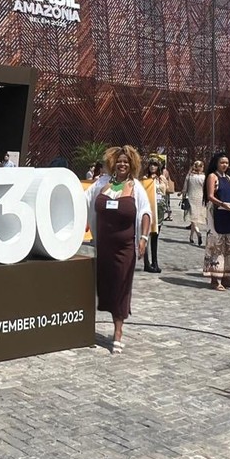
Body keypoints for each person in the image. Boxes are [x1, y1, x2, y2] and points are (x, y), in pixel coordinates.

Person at [85, 145, 151, 354]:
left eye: (126, 161)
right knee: (102, 287)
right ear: (113, 163)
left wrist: (143, 238)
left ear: (132, 164)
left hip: (125, 247)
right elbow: (84, 201)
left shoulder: (136, 186)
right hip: (103, 246)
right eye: (119, 161)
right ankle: (87, 328)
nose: (122, 164)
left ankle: (118, 332)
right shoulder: (102, 183)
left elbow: (146, 213)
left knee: (121, 286)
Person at [203, 151, 230, 291]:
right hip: (217, 212)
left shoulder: (228, 178)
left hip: (229, 213)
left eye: (226, 163)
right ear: (216, 163)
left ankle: (228, 278)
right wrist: (222, 204)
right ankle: (215, 279)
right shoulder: (213, 176)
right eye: (222, 162)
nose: (225, 165)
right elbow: (210, 196)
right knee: (217, 245)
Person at [142, 157, 166, 272]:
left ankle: (155, 262)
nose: (153, 167)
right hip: (149, 206)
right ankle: (146, 263)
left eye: (155, 165)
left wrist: (159, 181)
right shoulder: (145, 178)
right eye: (151, 165)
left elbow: (165, 190)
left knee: (155, 235)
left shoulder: (161, 178)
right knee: (146, 234)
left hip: (159, 207)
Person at [182, 159, 207, 246]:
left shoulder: (190, 176)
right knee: (195, 218)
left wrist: (183, 195)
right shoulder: (204, 177)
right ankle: (191, 237)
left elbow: (185, 187)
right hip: (200, 198)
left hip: (191, 197)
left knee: (193, 218)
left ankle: (198, 233)